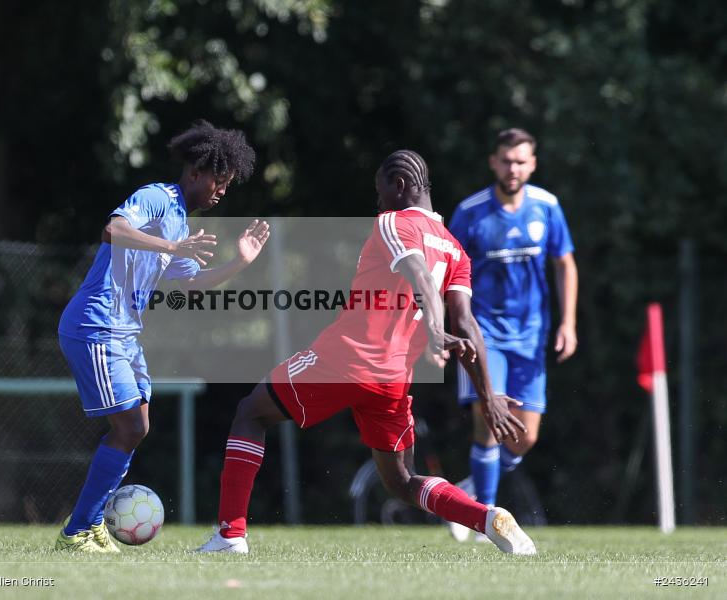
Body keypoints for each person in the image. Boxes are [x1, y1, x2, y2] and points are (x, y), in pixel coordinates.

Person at [196, 149, 537, 555]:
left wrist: (432, 326)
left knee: (251, 413)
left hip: (344, 360)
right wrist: (488, 397)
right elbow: (467, 325)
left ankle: (230, 535)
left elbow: (420, 277)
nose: (378, 203)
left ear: (400, 186)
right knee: (402, 481)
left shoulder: (393, 222)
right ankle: (485, 517)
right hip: (392, 379)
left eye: (380, 192)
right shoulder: (455, 250)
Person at [55, 120, 270, 552]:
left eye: (228, 184)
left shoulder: (179, 223)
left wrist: (239, 263)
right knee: (130, 424)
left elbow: (191, 284)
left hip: (124, 334)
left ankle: (90, 524)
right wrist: (172, 248)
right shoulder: (158, 198)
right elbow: (113, 230)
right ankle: (78, 531)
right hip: (96, 324)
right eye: (219, 180)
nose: (222, 191)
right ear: (195, 173)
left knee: (139, 425)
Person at [446, 128, 578, 543]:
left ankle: (467, 495)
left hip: (531, 337)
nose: (513, 168)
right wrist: (447, 331)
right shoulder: (471, 213)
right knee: (488, 424)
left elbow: (565, 264)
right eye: (506, 160)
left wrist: (568, 322)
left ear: (533, 164)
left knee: (526, 436)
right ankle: (484, 518)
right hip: (484, 338)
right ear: (493, 162)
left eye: (521, 161)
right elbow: (447, 274)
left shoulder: (547, 207)